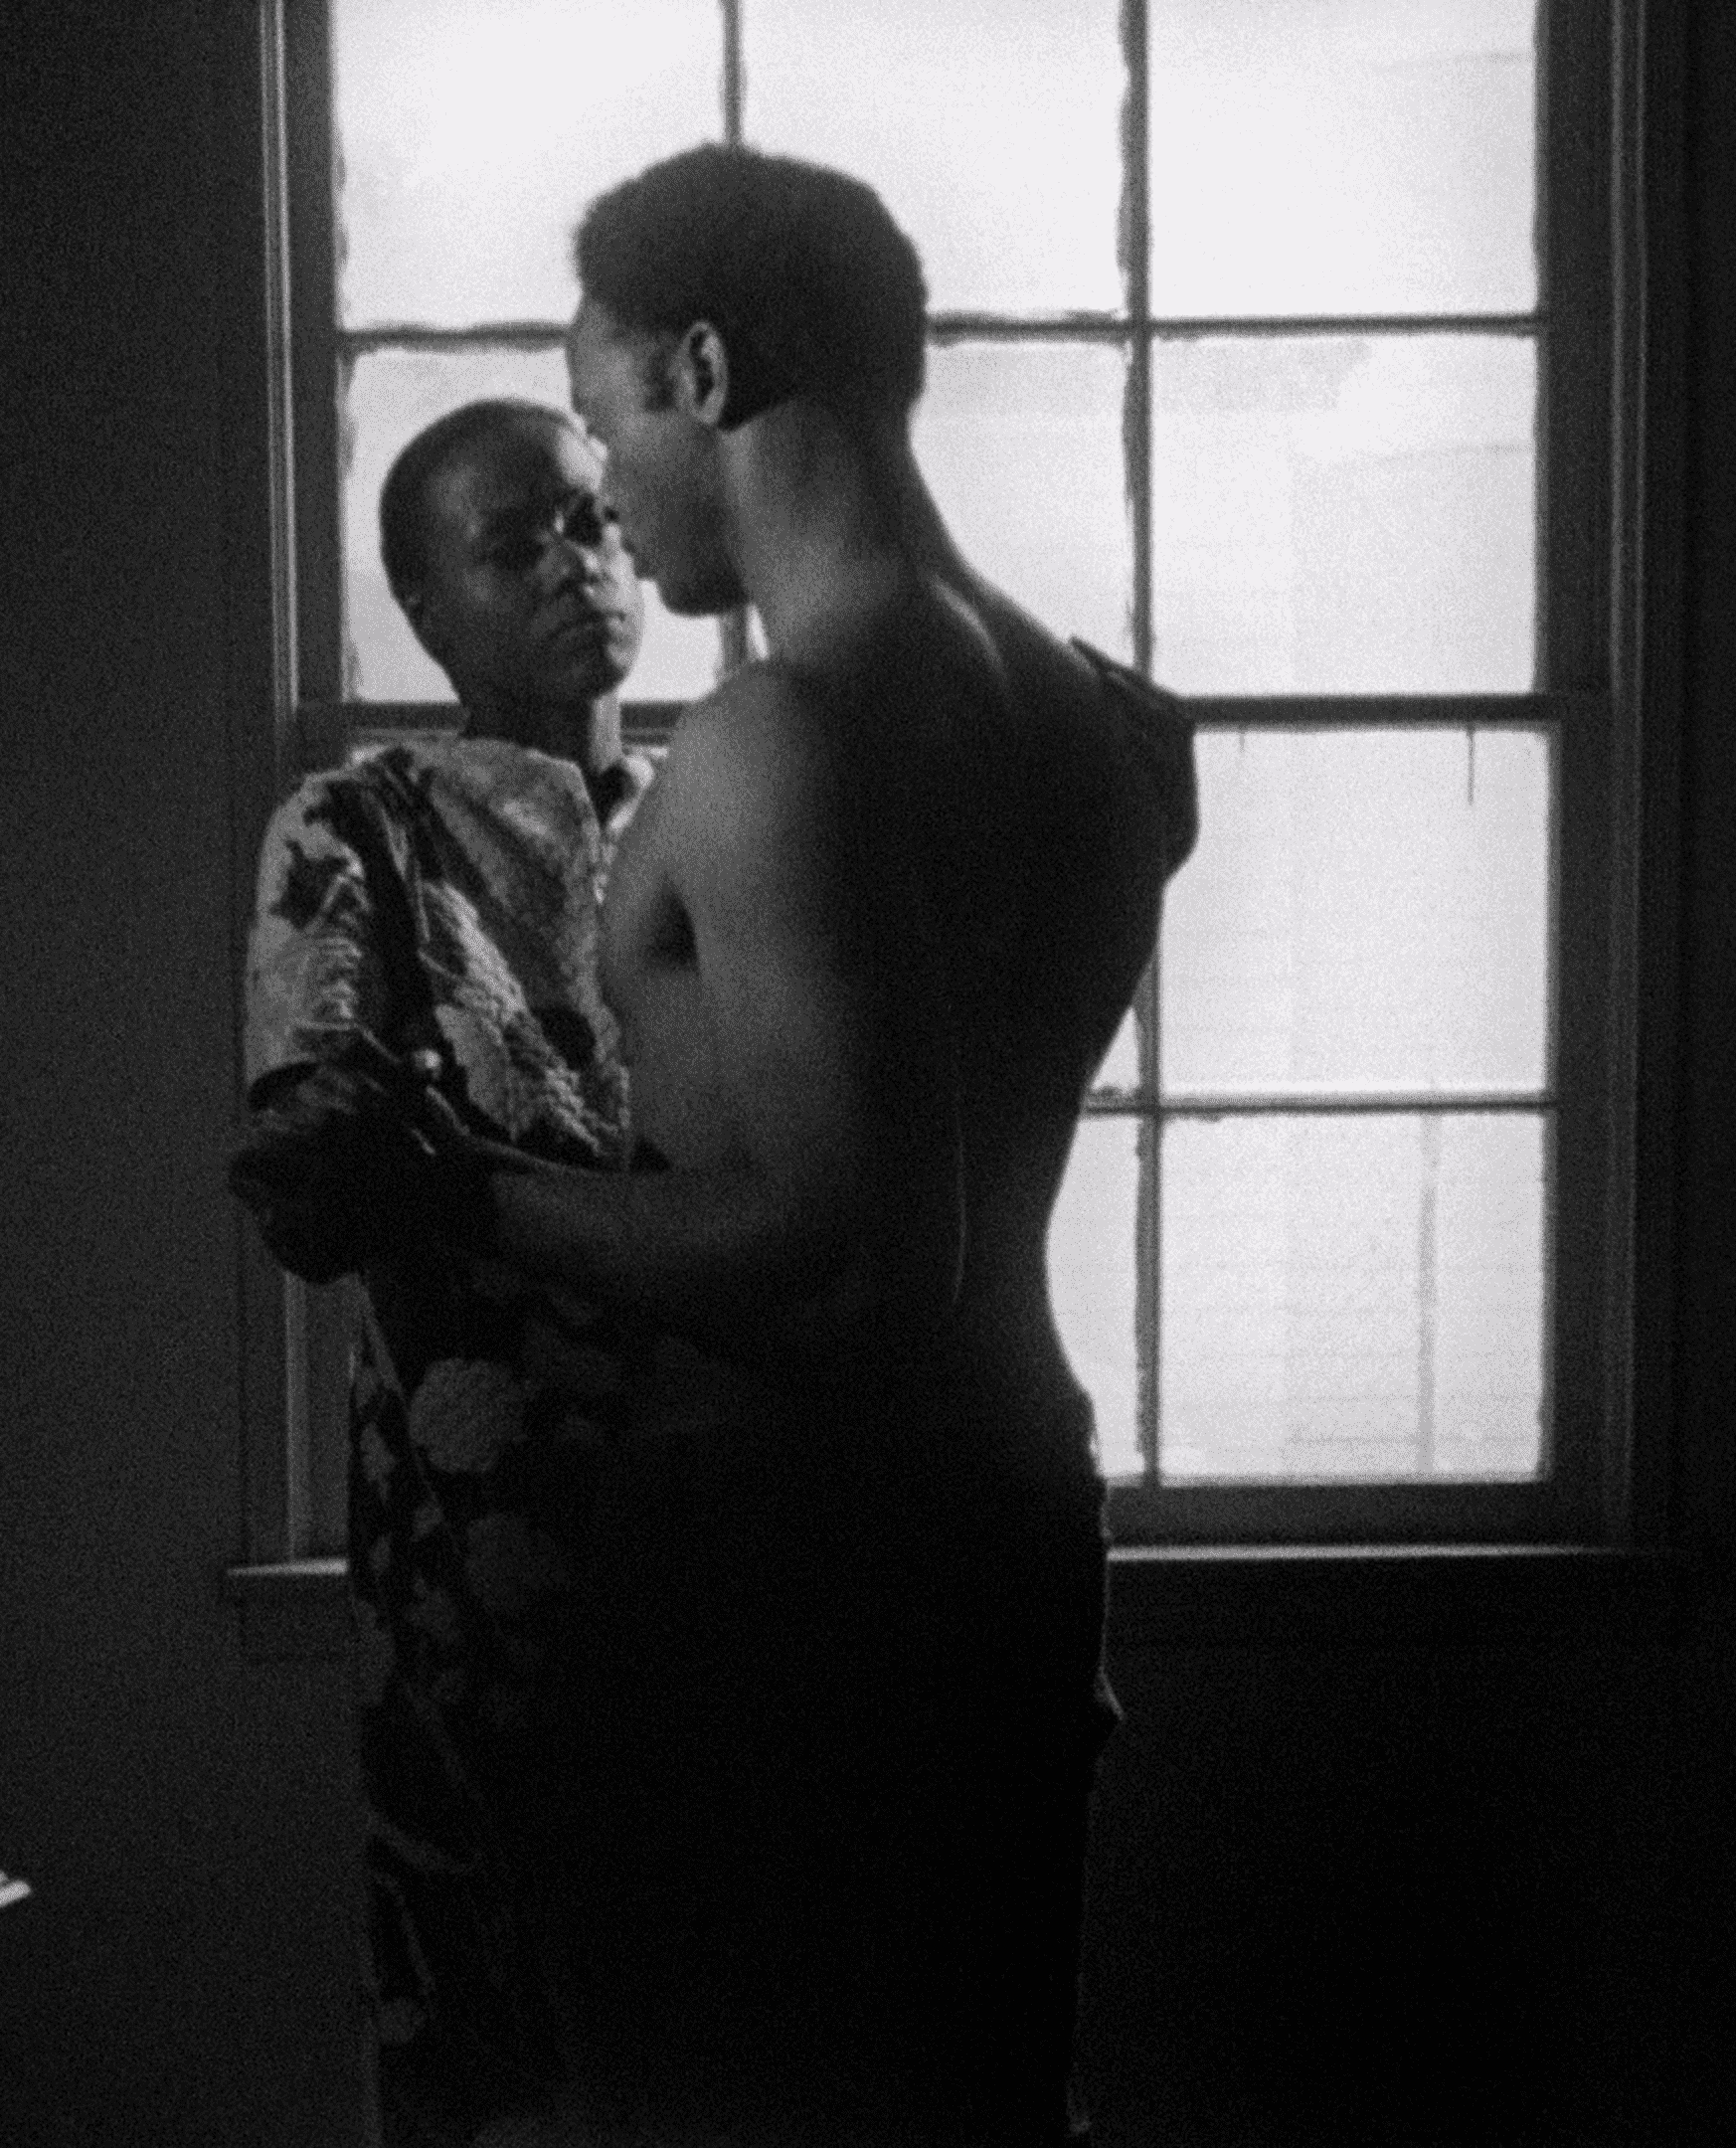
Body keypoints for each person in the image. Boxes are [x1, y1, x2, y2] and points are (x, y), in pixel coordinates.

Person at [320, 146, 1202, 2145]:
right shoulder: (1098, 724)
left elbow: (852, 1253)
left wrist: (455, 1186)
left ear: (703, 371)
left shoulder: (777, 737)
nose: (612, 498)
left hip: (787, 1574)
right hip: (1013, 1524)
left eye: (607, 411)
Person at [229, 399, 664, 2147]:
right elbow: (315, 1158)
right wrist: (356, 1145)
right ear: (424, 610)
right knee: (490, 2009)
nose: (581, 564)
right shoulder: (361, 825)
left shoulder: (715, 811)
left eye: (596, 521)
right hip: (474, 1527)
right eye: (515, 543)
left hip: (718, 1494)